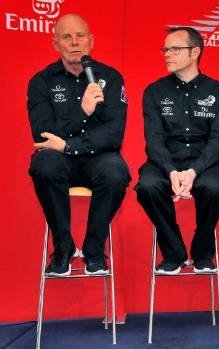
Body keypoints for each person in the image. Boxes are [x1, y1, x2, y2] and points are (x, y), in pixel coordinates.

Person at [27, 14, 131, 276]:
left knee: (116, 171)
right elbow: (43, 135)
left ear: (91, 41)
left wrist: (69, 145)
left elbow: (113, 134)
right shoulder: (41, 82)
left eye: (80, 36)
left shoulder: (110, 77)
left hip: (98, 159)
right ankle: (63, 248)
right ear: (55, 44)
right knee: (45, 162)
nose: (75, 43)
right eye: (66, 37)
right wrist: (82, 111)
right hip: (58, 161)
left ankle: (94, 249)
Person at [135, 27, 219, 275]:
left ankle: (202, 251)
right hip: (164, 161)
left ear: (195, 52)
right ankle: (173, 251)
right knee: (147, 186)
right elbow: (153, 140)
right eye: (165, 49)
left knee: (214, 189)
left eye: (175, 49)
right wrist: (171, 171)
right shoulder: (154, 91)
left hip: (203, 162)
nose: (167, 54)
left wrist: (193, 171)